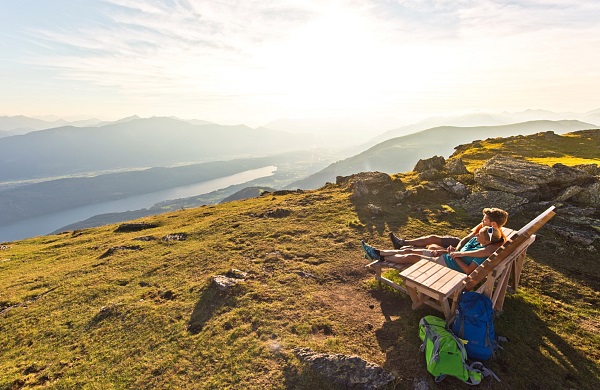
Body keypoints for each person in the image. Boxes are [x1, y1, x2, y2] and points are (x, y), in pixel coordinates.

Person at [362, 225, 505, 274]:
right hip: (444, 256)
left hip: (448, 265)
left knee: (410, 257)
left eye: (480, 235)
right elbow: (458, 251)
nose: (476, 234)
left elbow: (468, 271)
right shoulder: (475, 240)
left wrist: (455, 257)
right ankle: (378, 252)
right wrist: (447, 251)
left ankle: (378, 257)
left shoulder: (482, 255)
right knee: (407, 250)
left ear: (487, 241)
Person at [389, 207, 508, 255]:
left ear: (493, 224)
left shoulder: (494, 240)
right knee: (433, 238)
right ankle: (402, 243)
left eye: (485, 219)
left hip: (464, 253)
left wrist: (458, 251)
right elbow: (466, 238)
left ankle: (408, 250)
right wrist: (459, 247)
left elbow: (476, 253)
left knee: (432, 246)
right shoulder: (484, 227)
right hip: (462, 246)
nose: (482, 220)